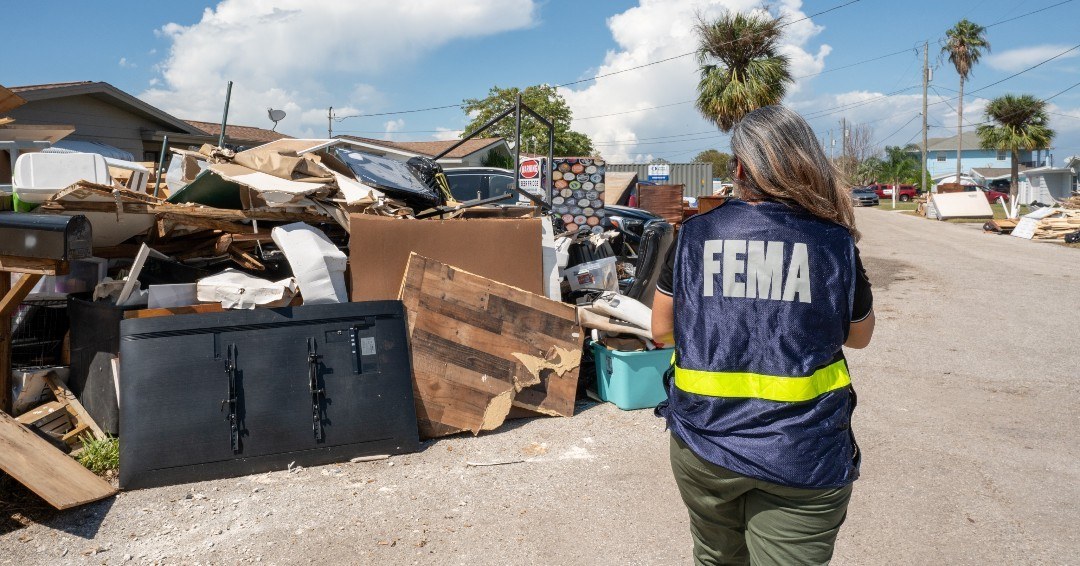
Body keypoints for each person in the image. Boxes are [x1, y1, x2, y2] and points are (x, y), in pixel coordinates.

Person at [651, 105, 875, 566]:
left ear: (738, 168)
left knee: (716, 558)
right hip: (804, 450)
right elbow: (859, 337)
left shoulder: (694, 235)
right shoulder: (833, 242)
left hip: (704, 440)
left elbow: (660, 331)